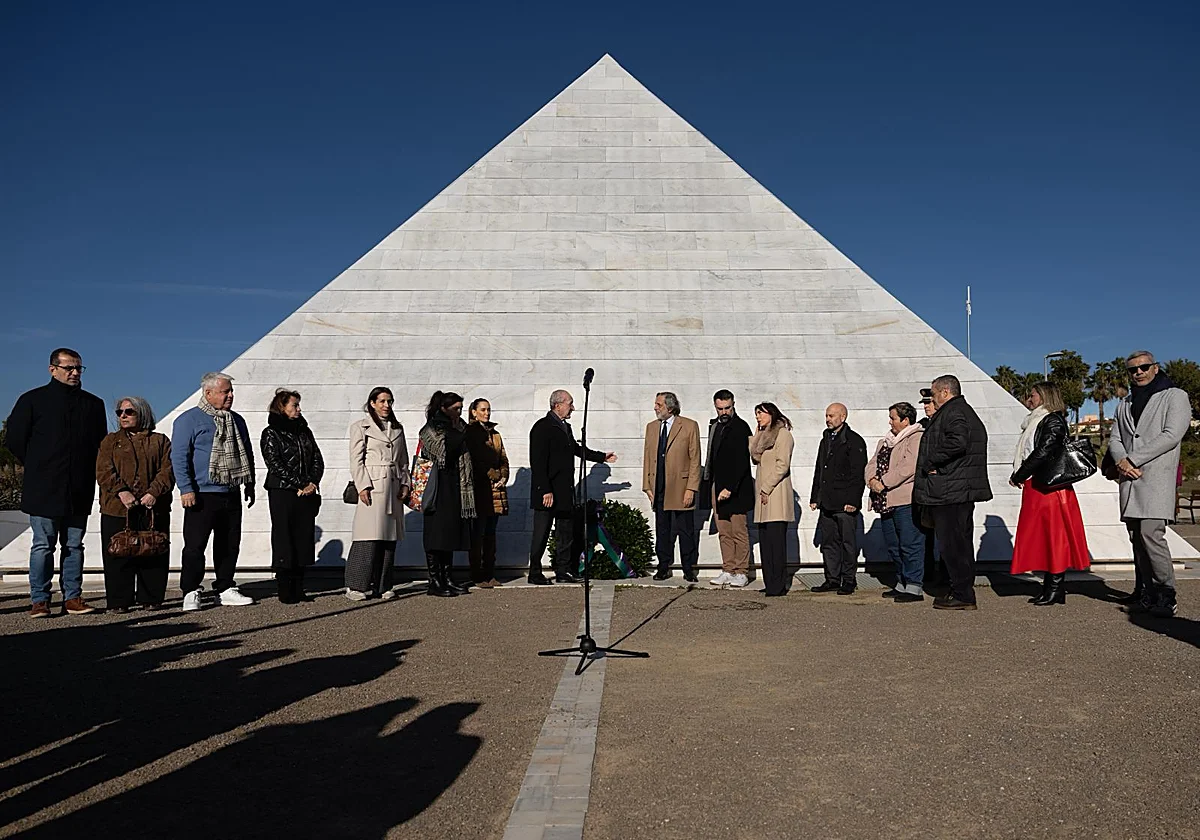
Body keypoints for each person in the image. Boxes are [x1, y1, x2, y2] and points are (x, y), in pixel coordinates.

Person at [6, 348, 109, 617]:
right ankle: (40, 600)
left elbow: (100, 444)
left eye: (78, 368)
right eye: (69, 368)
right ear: (53, 369)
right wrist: (38, 464)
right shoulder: (32, 400)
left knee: (74, 545)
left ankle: (72, 598)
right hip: (43, 487)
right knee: (43, 545)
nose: (75, 373)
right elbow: (14, 439)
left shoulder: (93, 404)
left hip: (79, 487)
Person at [1108, 351, 1191, 617]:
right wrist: (1122, 461)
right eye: (1133, 369)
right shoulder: (1125, 403)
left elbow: (1172, 434)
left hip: (1155, 478)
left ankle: (1167, 594)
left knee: (1151, 535)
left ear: (1155, 368)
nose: (1139, 372)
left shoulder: (1174, 396)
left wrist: (1132, 459)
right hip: (1129, 480)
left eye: (1144, 367)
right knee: (1137, 538)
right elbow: (1115, 438)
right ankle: (1147, 592)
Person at [172, 372, 257, 611]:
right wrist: (186, 488)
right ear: (208, 393)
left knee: (229, 544)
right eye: (225, 391)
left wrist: (249, 483)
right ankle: (191, 590)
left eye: (231, 391)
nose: (230, 395)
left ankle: (225, 587)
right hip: (201, 494)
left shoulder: (237, 420)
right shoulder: (189, 420)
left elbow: (247, 452)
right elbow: (179, 456)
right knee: (195, 545)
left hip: (231, 491)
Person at [914, 375, 993, 611]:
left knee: (954, 545)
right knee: (958, 543)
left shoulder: (954, 412)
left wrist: (931, 461)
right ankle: (960, 590)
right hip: (956, 488)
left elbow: (958, 441)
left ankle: (963, 594)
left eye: (933, 393)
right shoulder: (959, 411)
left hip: (951, 491)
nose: (932, 398)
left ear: (945, 392)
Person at [1008, 382, 1090, 606]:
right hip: (1039, 485)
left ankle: (1054, 587)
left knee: (1054, 536)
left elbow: (1043, 451)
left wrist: (1019, 474)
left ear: (1044, 396)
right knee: (1044, 536)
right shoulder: (1037, 420)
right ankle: (1051, 588)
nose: (1029, 398)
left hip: (1050, 487)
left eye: (1033, 394)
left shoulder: (1051, 420)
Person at [528, 390, 617, 585]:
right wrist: (545, 489)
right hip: (547, 493)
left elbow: (577, 450)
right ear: (557, 405)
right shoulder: (542, 427)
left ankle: (563, 571)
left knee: (565, 534)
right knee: (541, 534)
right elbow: (538, 462)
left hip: (564, 493)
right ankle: (534, 573)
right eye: (570, 403)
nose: (573, 408)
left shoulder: (565, 428)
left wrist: (601, 457)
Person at [95, 397, 174, 612]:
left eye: (129, 411)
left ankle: (151, 598)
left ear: (142, 413)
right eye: (119, 412)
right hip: (117, 508)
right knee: (118, 554)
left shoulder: (160, 441)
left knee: (153, 551)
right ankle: (119, 601)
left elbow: (167, 470)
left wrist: (154, 492)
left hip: (152, 508)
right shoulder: (110, 441)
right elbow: (103, 470)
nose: (123, 416)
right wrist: (121, 491)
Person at [261, 389, 324, 604]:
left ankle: (299, 587)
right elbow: (274, 463)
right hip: (282, 492)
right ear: (282, 407)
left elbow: (317, 458)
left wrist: (312, 482)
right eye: (294, 405)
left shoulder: (304, 431)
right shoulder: (271, 433)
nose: (298, 409)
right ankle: (285, 587)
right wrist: (300, 483)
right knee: (284, 537)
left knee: (303, 538)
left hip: (305, 492)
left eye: (298, 405)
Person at [346, 387, 409, 600]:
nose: (386, 405)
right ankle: (356, 585)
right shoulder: (360, 427)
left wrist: (405, 483)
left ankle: (384, 585)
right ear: (372, 403)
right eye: (382, 401)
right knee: (367, 536)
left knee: (389, 538)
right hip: (373, 486)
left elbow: (403, 460)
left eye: (389, 401)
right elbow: (356, 459)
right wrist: (362, 485)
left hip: (393, 487)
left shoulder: (397, 428)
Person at [866, 402, 926, 603]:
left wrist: (883, 482)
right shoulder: (885, 441)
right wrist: (871, 480)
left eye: (893, 418)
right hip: (884, 501)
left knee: (910, 544)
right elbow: (872, 463)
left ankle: (914, 586)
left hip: (904, 500)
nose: (890, 422)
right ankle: (901, 582)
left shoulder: (915, 437)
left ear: (905, 420)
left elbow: (908, 466)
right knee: (894, 545)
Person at [419, 391, 475, 596]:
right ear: (444, 408)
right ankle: (434, 580)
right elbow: (443, 450)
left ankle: (447, 577)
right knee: (436, 535)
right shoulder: (432, 428)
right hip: (436, 487)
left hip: (454, 485)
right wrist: (460, 433)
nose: (459, 412)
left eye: (461, 408)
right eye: (455, 408)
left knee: (449, 534)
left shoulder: (458, 427)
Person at [809, 403, 868, 595]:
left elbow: (858, 474)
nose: (828, 419)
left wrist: (853, 501)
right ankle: (832, 579)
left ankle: (849, 580)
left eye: (832, 416)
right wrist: (815, 496)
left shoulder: (853, 441)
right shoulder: (826, 439)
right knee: (829, 543)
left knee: (847, 543)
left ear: (843, 417)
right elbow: (819, 470)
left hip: (845, 503)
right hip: (827, 502)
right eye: (826, 415)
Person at [643, 392, 702, 582]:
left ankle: (688, 568)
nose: (655, 407)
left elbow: (695, 459)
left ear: (670, 407)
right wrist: (647, 486)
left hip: (681, 488)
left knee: (686, 531)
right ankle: (663, 567)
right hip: (659, 488)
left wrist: (691, 488)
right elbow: (647, 457)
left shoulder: (689, 426)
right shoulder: (652, 427)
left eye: (659, 404)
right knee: (662, 531)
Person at [704, 390, 754, 588]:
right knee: (724, 531)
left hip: (737, 489)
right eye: (720, 408)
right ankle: (728, 569)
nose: (724, 412)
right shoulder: (715, 426)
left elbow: (742, 462)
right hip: (717, 485)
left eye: (727, 408)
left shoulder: (741, 427)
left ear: (733, 405)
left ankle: (741, 572)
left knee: (739, 531)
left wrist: (730, 488)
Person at [464, 398, 509, 588]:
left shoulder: (495, 434)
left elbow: (503, 458)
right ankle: (477, 575)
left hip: (496, 490)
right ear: (474, 412)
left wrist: (503, 476)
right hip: (479, 489)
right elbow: (474, 460)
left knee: (491, 534)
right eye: (483, 409)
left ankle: (490, 573)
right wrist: (493, 474)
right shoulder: (470, 433)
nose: (487, 413)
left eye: (488, 409)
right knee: (478, 534)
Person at [751, 402, 795, 597]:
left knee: (776, 544)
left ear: (772, 414)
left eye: (761, 413)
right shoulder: (763, 436)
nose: (758, 417)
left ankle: (778, 585)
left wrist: (766, 487)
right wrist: (756, 436)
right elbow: (755, 458)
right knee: (766, 543)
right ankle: (770, 583)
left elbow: (782, 465)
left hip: (775, 494)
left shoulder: (783, 435)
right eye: (756, 414)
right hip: (763, 496)